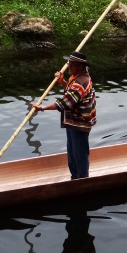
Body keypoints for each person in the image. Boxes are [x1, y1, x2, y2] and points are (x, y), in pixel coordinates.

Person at [30, 51, 96, 179]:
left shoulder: (81, 82)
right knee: (72, 154)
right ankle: (74, 178)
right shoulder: (76, 78)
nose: (69, 67)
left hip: (80, 124)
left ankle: (83, 181)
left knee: (80, 155)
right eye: (69, 64)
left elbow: (65, 102)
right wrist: (62, 82)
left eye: (72, 65)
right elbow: (71, 93)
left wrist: (42, 107)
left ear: (81, 67)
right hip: (72, 122)